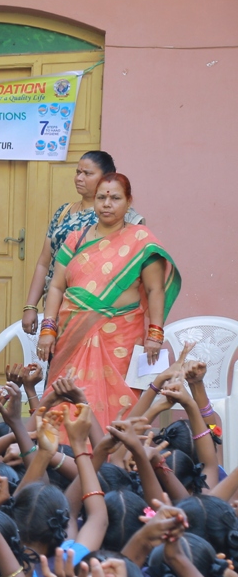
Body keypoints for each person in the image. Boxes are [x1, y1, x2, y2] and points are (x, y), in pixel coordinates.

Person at [36, 173, 180, 427]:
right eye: (101, 197)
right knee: (67, 395)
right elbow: (57, 286)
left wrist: (155, 334)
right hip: (73, 333)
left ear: (128, 202)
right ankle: (64, 456)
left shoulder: (141, 241)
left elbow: (155, 289)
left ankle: (115, 458)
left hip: (120, 334)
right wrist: (48, 328)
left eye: (115, 198)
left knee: (120, 400)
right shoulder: (76, 238)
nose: (106, 203)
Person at [22, 151, 145, 335]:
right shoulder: (64, 212)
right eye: (78, 172)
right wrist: (30, 306)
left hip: (101, 313)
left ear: (105, 178)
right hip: (56, 310)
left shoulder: (125, 218)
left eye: (87, 173)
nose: (79, 178)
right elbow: (44, 262)